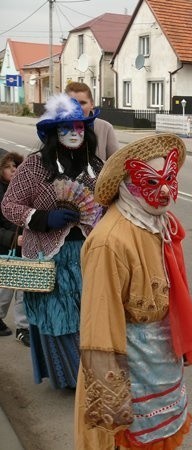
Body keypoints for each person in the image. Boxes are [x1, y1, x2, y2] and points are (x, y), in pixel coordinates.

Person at [74, 133, 192, 449]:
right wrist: (111, 407)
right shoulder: (110, 242)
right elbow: (100, 328)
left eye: (170, 179)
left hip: (160, 364)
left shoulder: (156, 223)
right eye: (150, 182)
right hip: (133, 373)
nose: (164, 190)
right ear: (126, 185)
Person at [1, 93, 104, 389]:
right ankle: (74, 380)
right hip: (49, 257)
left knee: (89, 318)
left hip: (88, 254)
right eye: (66, 128)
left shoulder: (95, 166)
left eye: (80, 128)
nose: (74, 133)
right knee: (59, 320)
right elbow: (10, 206)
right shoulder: (34, 166)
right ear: (52, 133)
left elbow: (108, 203)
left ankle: (92, 378)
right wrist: (42, 218)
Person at [0, 151, 30, 347]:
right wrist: (12, 238)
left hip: (25, 248)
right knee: (4, 289)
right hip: (5, 248)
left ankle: (23, 328)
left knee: (23, 289)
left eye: (17, 166)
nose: (14, 169)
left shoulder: (24, 190)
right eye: (9, 166)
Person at [65, 81, 119, 160]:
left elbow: (115, 163)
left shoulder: (105, 128)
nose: (77, 107)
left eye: (82, 103)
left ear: (91, 104)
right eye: (72, 103)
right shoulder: (52, 129)